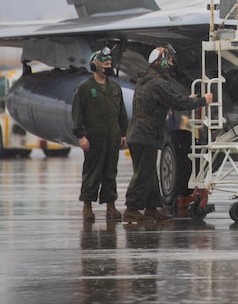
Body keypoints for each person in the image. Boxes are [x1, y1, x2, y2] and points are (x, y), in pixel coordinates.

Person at [123, 45, 212, 223]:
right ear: (160, 62)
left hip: (142, 134)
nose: (171, 63)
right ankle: (131, 209)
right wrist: (203, 100)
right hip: (145, 135)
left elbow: (171, 99)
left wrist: (189, 100)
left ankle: (151, 209)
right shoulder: (157, 83)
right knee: (143, 174)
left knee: (150, 174)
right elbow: (178, 102)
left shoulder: (147, 80)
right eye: (169, 60)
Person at [72, 46, 128, 222]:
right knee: (92, 173)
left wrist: (123, 133)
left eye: (110, 64)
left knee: (110, 172)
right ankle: (87, 207)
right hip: (93, 139)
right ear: (96, 66)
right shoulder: (84, 88)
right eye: (106, 64)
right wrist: (81, 136)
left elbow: (122, 113)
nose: (108, 67)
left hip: (112, 138)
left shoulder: (114, 88)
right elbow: (77, 114)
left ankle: (111, 207)